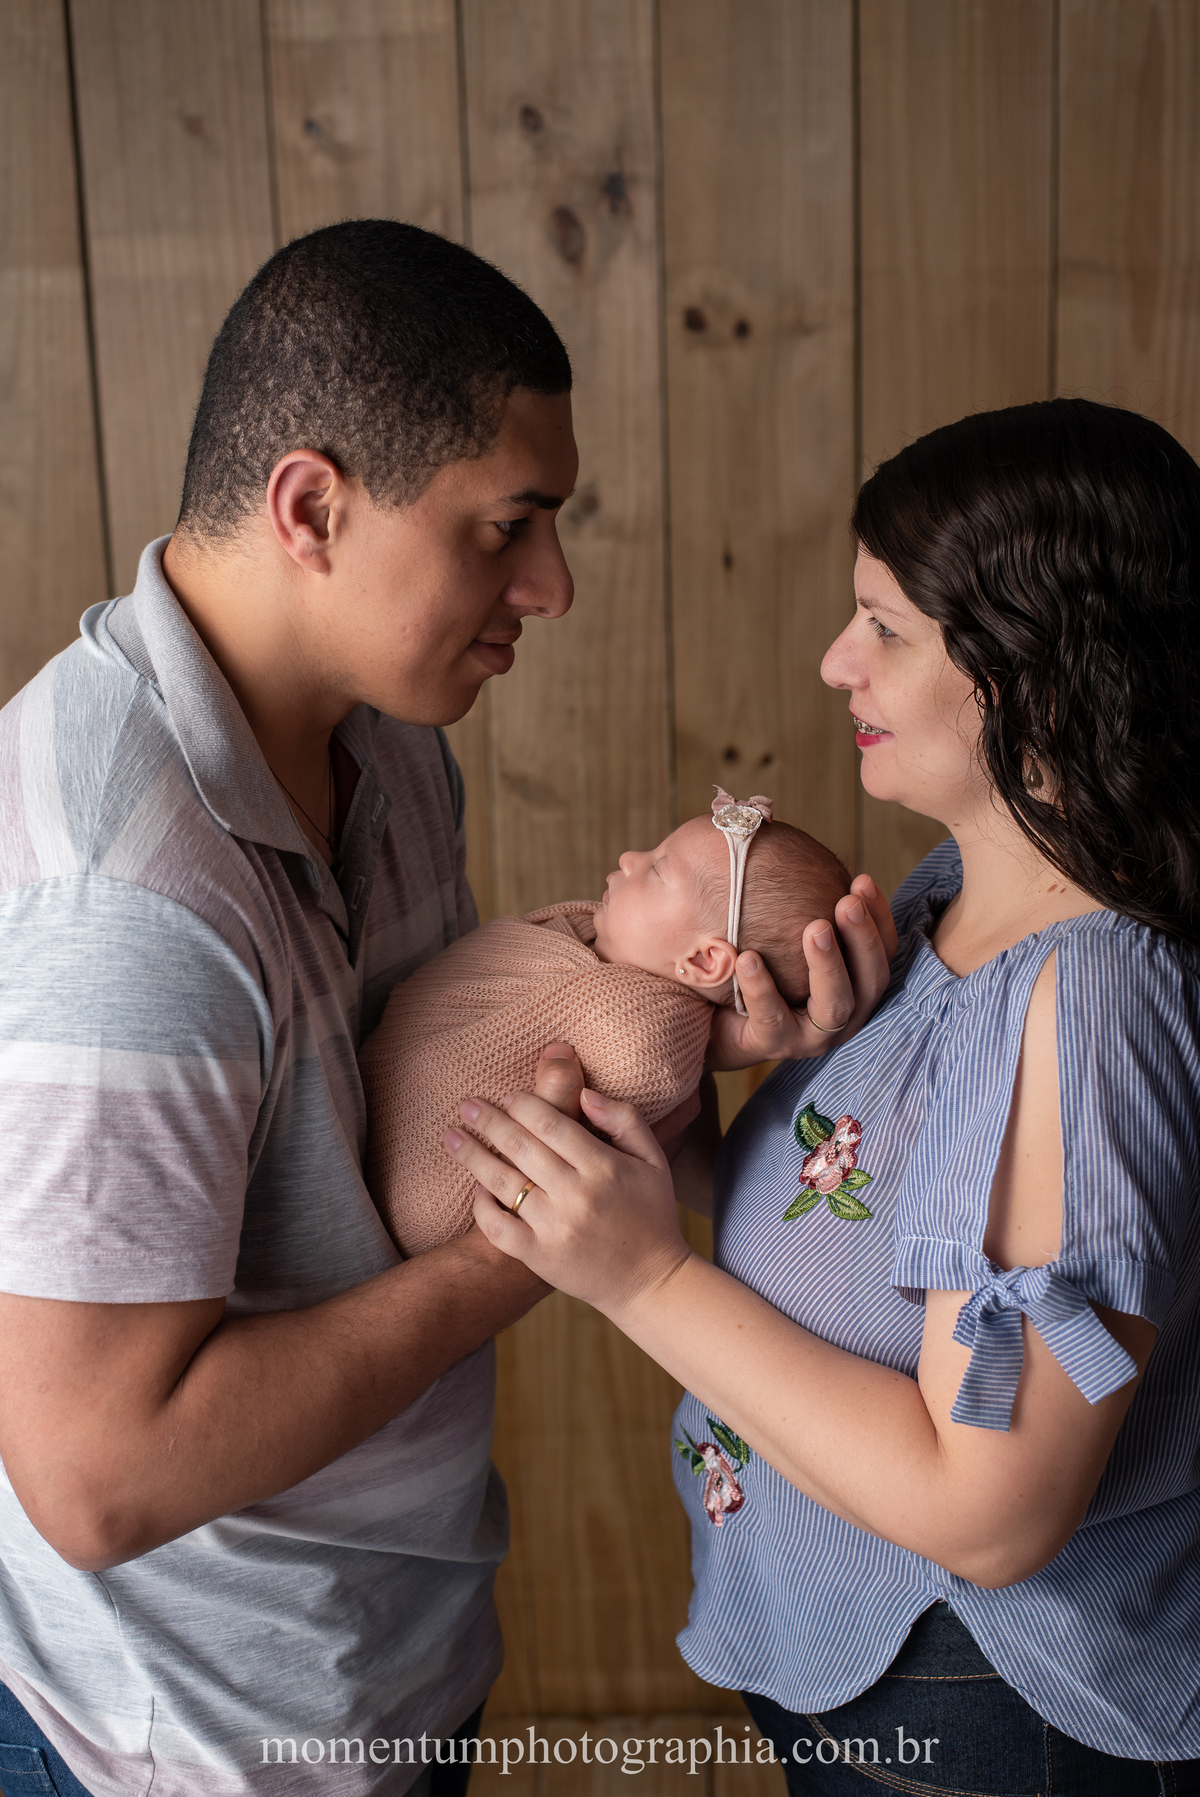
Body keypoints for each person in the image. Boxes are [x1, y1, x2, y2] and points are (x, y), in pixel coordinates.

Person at [0, 217, 890, 1797]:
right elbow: (99, 1479)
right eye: (508, 527)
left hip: (392, 1652)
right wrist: (534, 1251)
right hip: (193, 1745)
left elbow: (433, 1107)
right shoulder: (124, 903)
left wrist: (705, 1069)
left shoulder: (391, 737)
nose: (549, 586)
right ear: (312, 510)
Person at [447, 399, 1200, 1792]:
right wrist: (698, 1094)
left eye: (887, 628)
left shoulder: (1087, 1001)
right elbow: (818, 1242)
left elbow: (990, 1514)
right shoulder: (939, 907)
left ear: (1038, 674)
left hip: (1002, 1705)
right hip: (868, 1662)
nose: (834, 661)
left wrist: (641, 1279)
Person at [362, 796, 849, 1257]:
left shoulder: (640, 1029)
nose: (629, 857)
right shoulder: (599, 945)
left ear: (703, 960)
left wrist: (704, 1045)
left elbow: (639, 1067)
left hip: (423, 1175)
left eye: (657, 868)